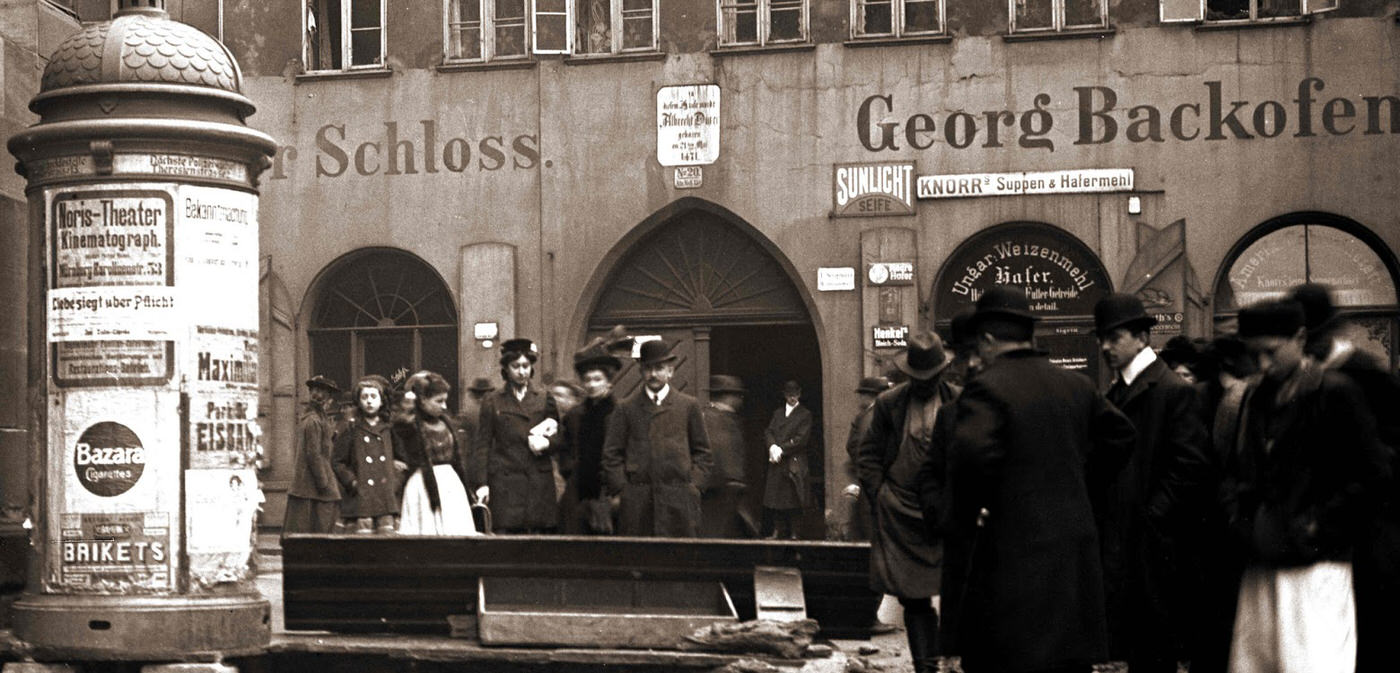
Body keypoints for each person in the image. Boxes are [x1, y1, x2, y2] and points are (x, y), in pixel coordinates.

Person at [942, 286, 1135, 673]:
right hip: (1075, 565)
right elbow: (1122, 435)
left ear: (988, 339)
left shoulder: (987, 389)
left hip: (1013, 567)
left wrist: (973, 514)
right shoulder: (1077, 385)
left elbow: (970, 466)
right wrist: (1081, 484)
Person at [1224, 299, 1390, 673]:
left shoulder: (1336, 393)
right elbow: (1237, 469)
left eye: (1271, 352)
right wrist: (1242, 519)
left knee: (1313, 662)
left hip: (1317, 567)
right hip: (1263, 559)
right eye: (1255, 355)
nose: (1263, 365)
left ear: (1299, 339)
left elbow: (1373, 475)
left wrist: (1318, 526)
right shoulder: (1254, 397)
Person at [1092, 293, 1210, 673]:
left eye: (1114, 336)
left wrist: (1151, 516)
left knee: (1154, 651)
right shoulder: (1120, 389)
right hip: (1131, 544)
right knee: (1139, 650)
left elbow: (1190, 466)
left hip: (1153, 549)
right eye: (1102, 337)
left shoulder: (1172, 390)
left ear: (1142, 337)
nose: (1105, 346)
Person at [1287, 283, 1400, 673]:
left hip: (1368, 525)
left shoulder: (1365, 374)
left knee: (1370, 630)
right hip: (1328, 529)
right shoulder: (1306, 378)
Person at [856, 332, 960, 673]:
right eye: (918, 378)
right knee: (913, 597)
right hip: (899, 509)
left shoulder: (959, 403)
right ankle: (924, 666)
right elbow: (867, 455)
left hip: (945, 509)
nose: (924, 384)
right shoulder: (889, 404)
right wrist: (880, 493)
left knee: (956, 589)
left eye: (930, 378)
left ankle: (951, 658)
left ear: (942, 373)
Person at [601, 338, 713, 537]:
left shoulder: (688, 406)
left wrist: (693, 487)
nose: (653, 374)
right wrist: (623, 491)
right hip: (638, 502)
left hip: (679, 500)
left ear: (670, 371)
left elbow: (703, 452)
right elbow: (611, 454)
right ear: (640, 371)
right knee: (640, 560)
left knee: (679, 560)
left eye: (659, 368)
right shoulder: (626, 408)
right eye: (647, 368)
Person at [475, 338, 559, 534]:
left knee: (538, 544)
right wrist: (482, 483)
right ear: (506, 368)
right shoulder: (492, 400)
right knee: (509, 542)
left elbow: (560, 436)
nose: (522, 372)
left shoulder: (545, 398)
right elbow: (483, 445)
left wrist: (546, 443)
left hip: (538, 482)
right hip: (506, 484)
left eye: (526, 366)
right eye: (516, 366)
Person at [394, 371, 476, 535]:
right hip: (424, 483)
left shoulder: (446, 422)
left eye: (445, 401)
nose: (444, 406)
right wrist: (410, 401)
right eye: (439, 401)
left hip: (450, 483)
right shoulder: (412, 424)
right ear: (423, 400)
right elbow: (400, 423)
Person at [556, 339, 622, 535]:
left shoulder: (620, 413)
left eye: (597, 379)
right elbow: (565, 447)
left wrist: (618, 489)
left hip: (609, 494)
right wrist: (570, 471)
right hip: (578, 493)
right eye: (587, 380)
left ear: (608, 382)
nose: (592, 385)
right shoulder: (575, 415)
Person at [333, 375, 401, 534]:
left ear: (382, 400)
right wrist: (352, 482)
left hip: (386, 496)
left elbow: (402, 460)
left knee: (387, 538)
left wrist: (394, 481)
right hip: (361, 497)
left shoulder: (389, 429)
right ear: (359, 401)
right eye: (364, 397)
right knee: (362, 540)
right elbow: (338, 461)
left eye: (373, 396)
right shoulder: (351, 429)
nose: (369, 401)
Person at [284, 375, 343, 536]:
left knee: (315, 525)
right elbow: (313, 454)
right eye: (317, 391)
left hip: (313, 482)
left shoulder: (320, 419)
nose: (321, 396)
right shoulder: (313, 421)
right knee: (316, 524)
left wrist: (332, 436)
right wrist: (323, 482)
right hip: (312, 483)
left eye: (324, 392)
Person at [701, 375, 751, 538]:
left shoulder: (713, 416)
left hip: (723, 493)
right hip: (720, 494)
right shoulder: (716, 419)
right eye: (738, 395)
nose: (740, 400)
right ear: (728, 396)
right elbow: (720, 454)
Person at [763, 380, 813, 540]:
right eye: (789, 395)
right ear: (784, 395)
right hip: (777, 461)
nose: (793, 398)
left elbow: (801, 439)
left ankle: (795, 533)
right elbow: (769, 431)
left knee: (794, 499)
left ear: (800, 394)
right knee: (776, 499)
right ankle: (777, 530)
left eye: (796, 394)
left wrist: (782, 449)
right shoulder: (778, 413)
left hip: (793, 461)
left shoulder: (805, 414)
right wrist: (771, 446)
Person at [842, 376, 891, 541]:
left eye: (862, 394)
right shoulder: (875, 415)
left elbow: (859, 448)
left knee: (868, 531)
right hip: (870, 482)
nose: (860, 398)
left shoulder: (870, 417)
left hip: (868, 482)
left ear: (871, 396)